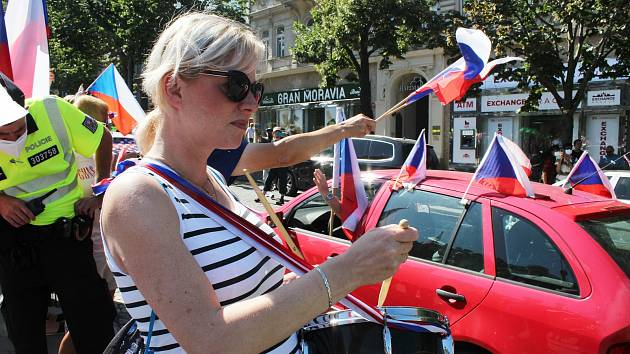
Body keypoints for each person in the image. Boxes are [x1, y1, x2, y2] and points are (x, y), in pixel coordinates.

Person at [100, 12, 417, 353]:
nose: (251, 103)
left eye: (255, 88)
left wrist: (299, 289)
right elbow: (211, 341)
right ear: (174, 87)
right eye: (236, 85)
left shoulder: (215, 179)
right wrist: (346, 271)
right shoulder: (138, 195)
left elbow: (241, 296)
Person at [0, 73, 116, 353]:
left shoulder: (51, 109)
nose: (15, 138)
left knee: (94, 326)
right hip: (14, 244)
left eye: (20, 128)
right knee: (24, 332)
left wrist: (101, 189)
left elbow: (103, 138)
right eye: (4, 134)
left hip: (67, 238)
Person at [259, 127, 289, 205]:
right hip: (274, 165)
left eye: (278, 133)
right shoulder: (273, 141)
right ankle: (262, 197)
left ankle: (282, 198)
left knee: (282, 182)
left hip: (283, 166)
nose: (276, 134)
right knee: (268, 180)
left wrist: (285, 136)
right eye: (275, 133)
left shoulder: (285, 141)